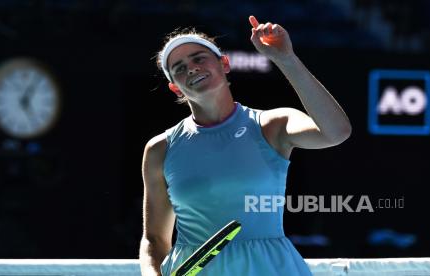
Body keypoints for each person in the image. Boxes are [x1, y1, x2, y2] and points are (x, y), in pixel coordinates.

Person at [139, 15, 352, 275]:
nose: (191, 68)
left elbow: (336, 132)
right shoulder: (160, 149)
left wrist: (286, 59)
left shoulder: (273, 124)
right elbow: (154, 240)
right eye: (179, 67)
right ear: (175, 89)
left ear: (224, 63)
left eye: (198, 58)